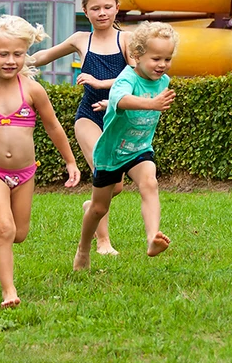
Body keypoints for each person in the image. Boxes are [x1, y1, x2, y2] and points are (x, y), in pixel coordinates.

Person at [0, 15, 81, 308]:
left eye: (18, 54)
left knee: (20, 234)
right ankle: (9, 291)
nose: (11, 61)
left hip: (25, 173)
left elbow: (53, 127)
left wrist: (70, 161)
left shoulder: (33, 91)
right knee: (7, 229)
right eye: (3, 54)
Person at [28, 0, 132, 256]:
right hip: (89, 117)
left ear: (117, 8)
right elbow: (45, 56)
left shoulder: (126, 40)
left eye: (107, 7)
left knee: (116, 186)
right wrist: (18, 60)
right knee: (103, 175)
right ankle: (103, 242)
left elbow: (135, 78)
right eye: (95, 8)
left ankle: (91, 206)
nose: (102, 13)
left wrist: (99, 82)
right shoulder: (80, 39)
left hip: (118, 118)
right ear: (85, 11)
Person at [74, 21, 178, 272]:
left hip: (139, 149)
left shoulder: (163, 81)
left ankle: (152, 238)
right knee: (99, 208)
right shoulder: (127, 77)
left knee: (150, 183)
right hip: (111, 152)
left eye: (167, 59)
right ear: (137, 56)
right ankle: (83, 250)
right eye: (156, 59)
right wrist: (150, 104)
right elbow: (120, 98)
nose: (162, 65)